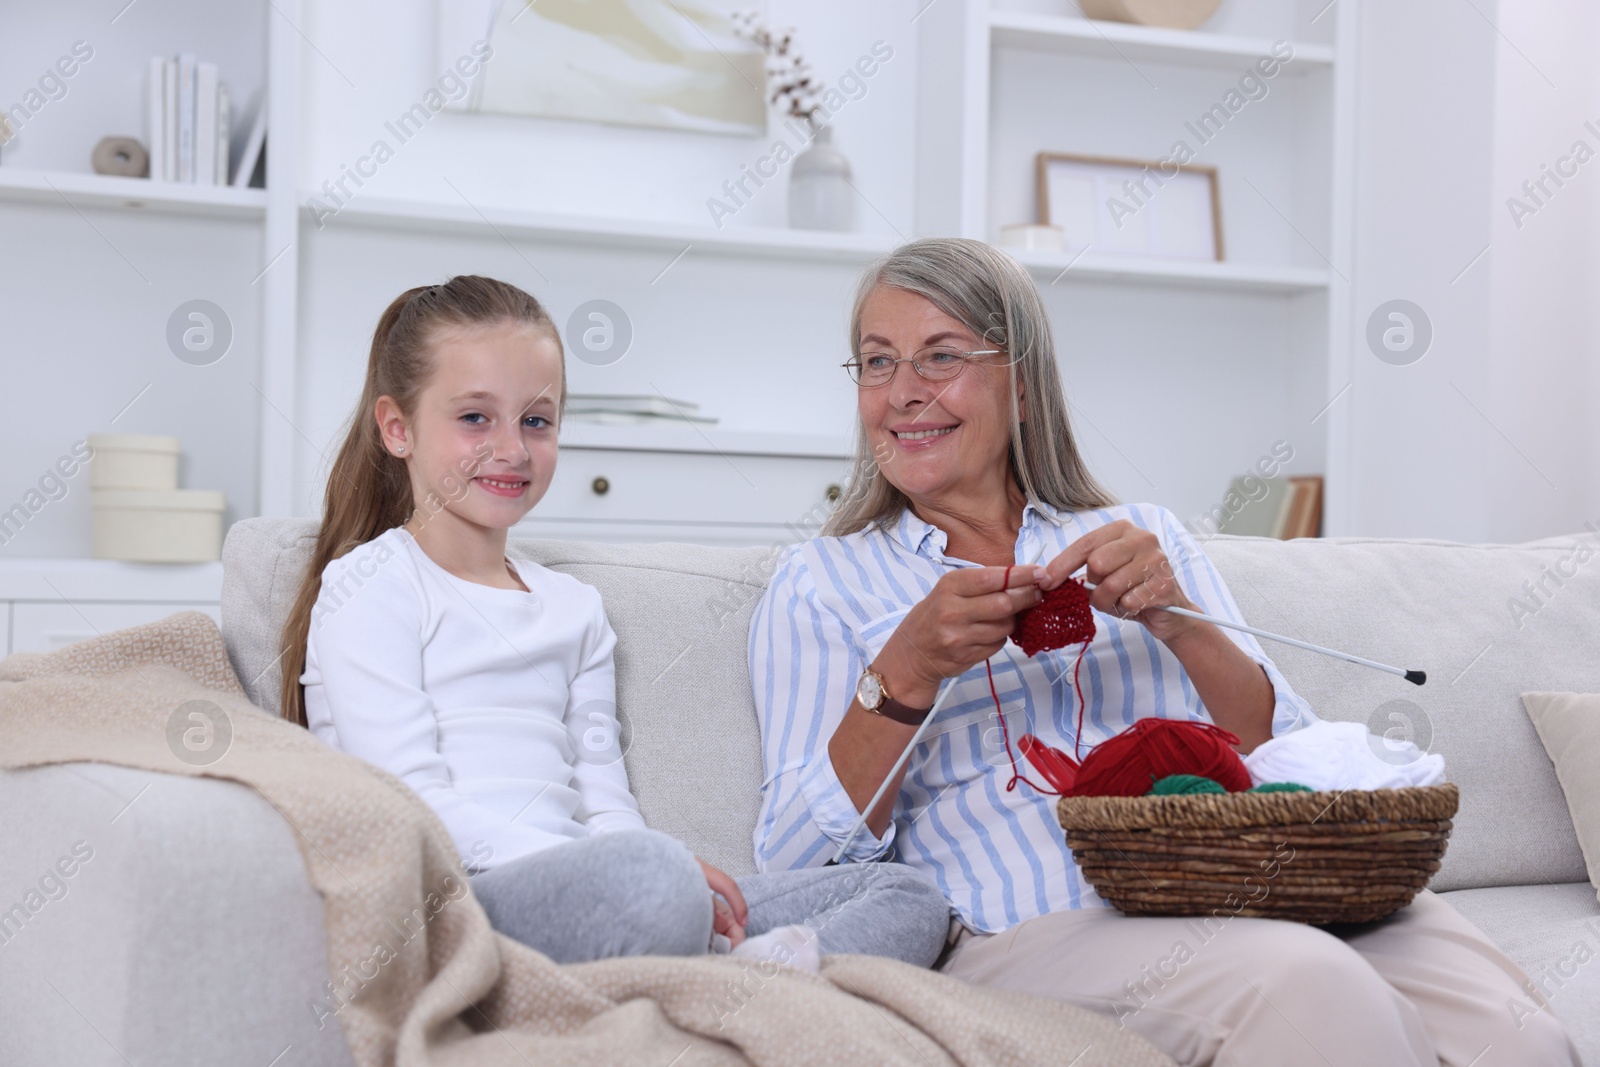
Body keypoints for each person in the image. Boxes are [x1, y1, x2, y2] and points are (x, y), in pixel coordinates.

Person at [748, 238, 1582, 1065]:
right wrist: (905, 673)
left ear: (1026, 387)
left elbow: (1279, 746)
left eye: (941, 356)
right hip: (1032, 927)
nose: (903, 393)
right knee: (1309, 988)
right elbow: (791, 861)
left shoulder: (1141, 534)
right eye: (877, 362)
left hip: (1253, 875)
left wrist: (1178, 617)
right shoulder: (823, 580)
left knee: (1521, 1036)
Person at [276, 275, 950, 969]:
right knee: (654, 882)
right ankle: (718, 968)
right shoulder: (372, 584)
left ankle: (738, 973)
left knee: (908, 894)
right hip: (456, 896)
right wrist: (652, 870)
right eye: (475, 417)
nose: (511, 448)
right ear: (397, 428)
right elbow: (416, 808)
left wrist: (649, 864)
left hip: (598, 888)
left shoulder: (574, 607)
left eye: (536, 420)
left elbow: (605, 800)